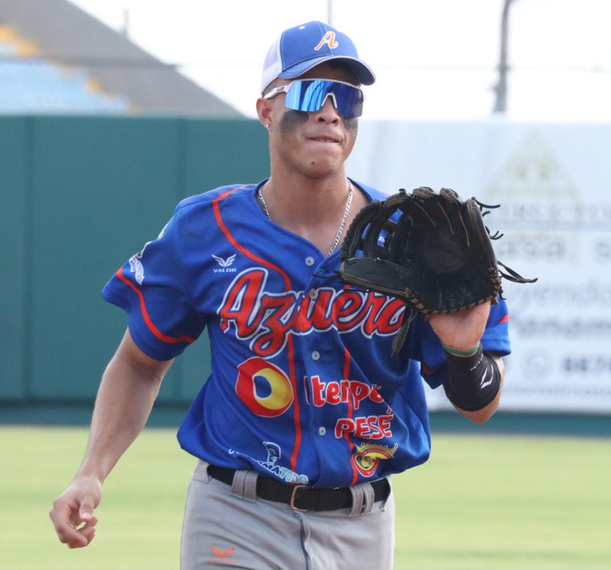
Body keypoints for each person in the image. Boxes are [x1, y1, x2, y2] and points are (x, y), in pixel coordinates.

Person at [50, 20, 511, 569]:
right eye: (311, 93)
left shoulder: (412, 240)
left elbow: (480, 406)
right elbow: (139, 364)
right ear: (266, 110)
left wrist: (464, 352)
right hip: (235, 514)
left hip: (362, 525)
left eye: (346, 98)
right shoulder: (206, 229)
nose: (330, 112)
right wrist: (91, 471)